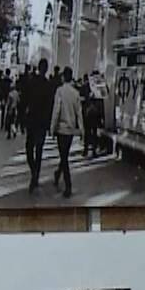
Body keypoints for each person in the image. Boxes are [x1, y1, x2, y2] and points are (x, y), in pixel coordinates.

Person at [22, 59, 58, 195]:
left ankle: (34, 172)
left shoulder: (31, 82)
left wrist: (23, 119)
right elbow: (50, 106)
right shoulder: (49, 85)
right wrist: (49, 125)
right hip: (41, 122)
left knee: (29, 148)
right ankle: (35, 173)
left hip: (32, 120)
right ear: (46, 69)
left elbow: (24, 101)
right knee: (38, 150)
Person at [50, 67, 83, 199]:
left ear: (64, 77)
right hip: (70, 130)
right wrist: (82, 130)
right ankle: (58, 173)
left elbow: (56, 110)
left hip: (61, 129)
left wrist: (52, 128)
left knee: (64, 157)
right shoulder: (76, 93)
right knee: (64, 155)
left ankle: (68, 185)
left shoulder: (59, 91)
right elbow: (79, 113)